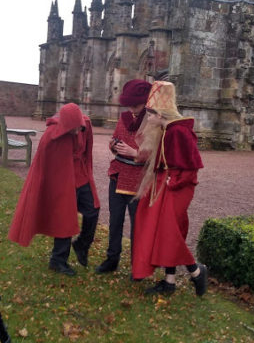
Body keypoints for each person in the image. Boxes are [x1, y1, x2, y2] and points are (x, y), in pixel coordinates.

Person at [131, 81, 208, 296]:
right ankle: (170, 281)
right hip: (167, 185)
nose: (149, 118)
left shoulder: (178, 133)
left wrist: (172, 182)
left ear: (160, 113)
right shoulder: (168, 131)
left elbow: (191, 169)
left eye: (151, 113)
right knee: (161, 231)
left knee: (168, 231)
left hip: (177, 188)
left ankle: (196, 271)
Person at [8, 103, 100, 276]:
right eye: (71, 129)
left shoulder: (85, 125)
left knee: (93, 210)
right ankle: (58, 260)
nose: (75, 132)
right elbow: (43, 165)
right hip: (62, 179)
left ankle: (82, 245)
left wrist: (88, 175)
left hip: (80, 175)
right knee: (64, 216)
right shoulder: (51, 135)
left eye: (77, 128)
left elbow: (87, 152)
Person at [95, 79, 152, 274]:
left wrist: (134, 152)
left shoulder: (153, 122)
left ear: (146, 102)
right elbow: (114, 139)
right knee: (115, 221)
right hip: (117, 176)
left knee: (138, 226)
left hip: (138, 180)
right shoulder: (124, 117)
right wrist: (114, 145)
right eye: (130, 105)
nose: (133, 109)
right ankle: (112, 260)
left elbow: (156, 154)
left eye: (136, 105)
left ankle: (138, 266)